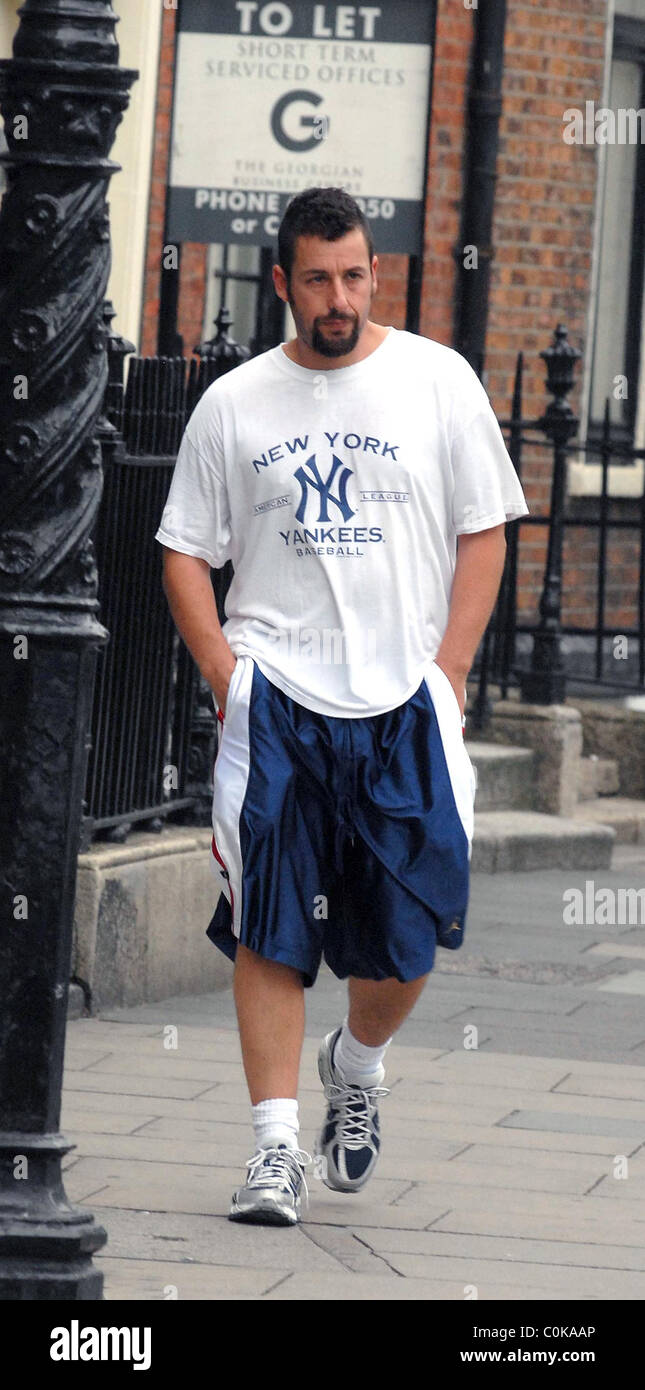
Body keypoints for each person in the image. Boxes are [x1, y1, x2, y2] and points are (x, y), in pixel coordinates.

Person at [155, 186, 529, 1226]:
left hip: (404, 703)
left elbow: (485, 527)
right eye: (317, 278)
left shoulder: (436, 382)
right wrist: (230, 678)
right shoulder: (236, 403)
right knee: (270, 929)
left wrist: (448, 675)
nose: (340, 297)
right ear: (282, 282)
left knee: (409, 937)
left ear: (375, 273)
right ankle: (276, 1150)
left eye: (356, 274)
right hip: (279, 701)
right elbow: (184, 548)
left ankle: (356, 1061)